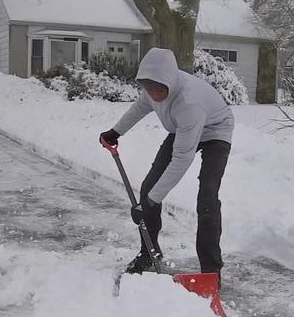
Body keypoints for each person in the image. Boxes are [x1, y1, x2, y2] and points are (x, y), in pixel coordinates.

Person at [99, 48, 234, 285]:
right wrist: (115, 132)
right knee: (148, 187)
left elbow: (182, 159)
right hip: (181, 129)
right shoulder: (153, 88)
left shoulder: (189, 103)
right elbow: (140, 107)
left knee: (207, 198)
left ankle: (211, 271)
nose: (154, 94)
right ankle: (149, 253)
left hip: (216, 131)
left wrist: (151, 201)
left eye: (158, 89)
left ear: (170, 82)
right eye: (148, 88)